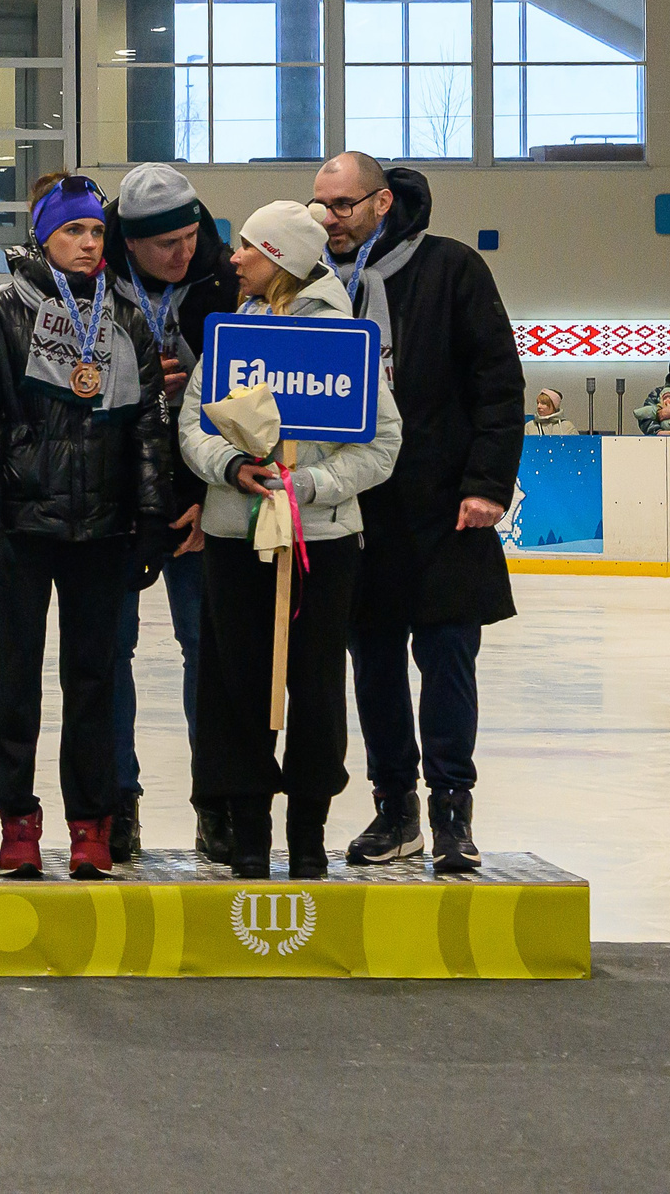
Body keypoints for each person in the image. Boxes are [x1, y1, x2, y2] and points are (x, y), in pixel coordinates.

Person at [0, 170, 174, 882]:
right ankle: (17, 817)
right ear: (44, 236)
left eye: (97, 231)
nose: (88, 242)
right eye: (74, 229)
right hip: (18, 526)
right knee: (14, 677)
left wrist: (149, 518)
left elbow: (146, 429)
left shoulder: (125, 319)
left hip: (101, 530)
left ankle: (90, 822)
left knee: (94, 681)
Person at [311, 153, 522, 874]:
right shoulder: (316, 284)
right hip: (358, 508)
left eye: (341, 204)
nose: (327, 218)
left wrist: (488, 480)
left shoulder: (452, 268)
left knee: (447, 658)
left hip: (444, 507)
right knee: (371, 663)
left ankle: (451, 811)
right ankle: (394, 805)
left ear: (381, 204)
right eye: (320, 205)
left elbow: (497, 379)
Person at [179, 203, 402, 880]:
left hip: (323, 542)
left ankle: (308, 830)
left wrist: (308, 486)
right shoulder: (233, 333)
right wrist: (229, 466)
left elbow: (383, 443)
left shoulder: (345, 338)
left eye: (247, 248)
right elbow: (193, 423)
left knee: (315, 683)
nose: (234, 259)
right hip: (232, 536)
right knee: (235, 681)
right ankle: (248, 828)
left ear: (280, 257)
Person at [100, 163, 240, 862]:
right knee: (107, 654)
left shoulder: (227, 284)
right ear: (128, 241)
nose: (183, 252)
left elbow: (255, 412)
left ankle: (215, 803)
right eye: (165, 245)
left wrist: (204, 501)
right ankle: (116, 803)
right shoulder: (88, 285)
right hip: (116, 504)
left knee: (208, 655)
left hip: (200, 504)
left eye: (191, 236)